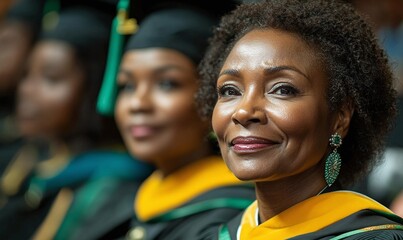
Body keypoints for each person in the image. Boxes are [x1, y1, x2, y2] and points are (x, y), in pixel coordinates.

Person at [197, 0, 403, 239]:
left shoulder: (373, 237)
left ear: (340, 118)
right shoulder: (219, 234)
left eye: (282, 89)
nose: (243, 112)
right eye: (230, 91)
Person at [84, 2, 255, 239]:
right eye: (128, 85)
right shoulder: (137, 199)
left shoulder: (228, 219)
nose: (138, 103)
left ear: (214, 97)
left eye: (167, 83)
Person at [0, 6, 152, 240]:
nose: (27, 90)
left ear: (94, 88)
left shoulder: (116, 191)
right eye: (26, 75)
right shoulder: (26, 160)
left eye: (51, 78)